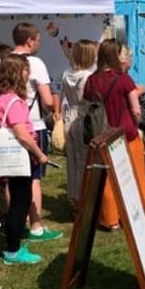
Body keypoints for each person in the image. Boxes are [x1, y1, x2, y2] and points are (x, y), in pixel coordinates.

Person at [83, 39, 145, 232]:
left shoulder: (92, 80)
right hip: (127, 134)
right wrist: (137, 126)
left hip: (102, 135)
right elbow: (136, 110)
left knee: (108, 178)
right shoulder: (124, 79)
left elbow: (86, 102)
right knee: (138, 178)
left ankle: (110, 220)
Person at [0, 54, 50, 264]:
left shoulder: (0, 97)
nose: (28, 74)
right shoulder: (14, 101)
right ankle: (13, 249)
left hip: (10, 155)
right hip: (20, 154)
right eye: (25, 70)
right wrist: (39, 153)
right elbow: (22, 133)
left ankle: (13, 244)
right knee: (21, 201)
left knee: (18, 198)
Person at [11, 23, 62, 242]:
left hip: (10, 126)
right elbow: (48, 100)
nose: (39, 44)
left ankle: (16, 222)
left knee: (13, 177)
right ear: (30, 40)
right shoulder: (35, 63)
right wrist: (55, 102)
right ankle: (36, 225)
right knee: (34, 179)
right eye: (39, 40)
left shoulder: (5, 59)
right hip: (33, 124)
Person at [60, 39, 97, 203]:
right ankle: (83, 198)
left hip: (70, 115)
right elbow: (87, 99)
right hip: (83, 117)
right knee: (84, 160)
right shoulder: (88, 76)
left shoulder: (66, 73)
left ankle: (74, 196)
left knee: (72, 160)